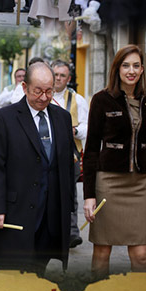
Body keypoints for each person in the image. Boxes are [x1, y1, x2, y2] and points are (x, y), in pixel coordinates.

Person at [83, 44, 146, 276]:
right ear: (117, 68)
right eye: (126, 65)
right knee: (101, 255)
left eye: (136, 66)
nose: (131, 70)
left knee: (141, 256)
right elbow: (90, 150)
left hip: (140, 186)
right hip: (108, 184)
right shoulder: (102, 100)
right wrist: (89, 195)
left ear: (142, 70)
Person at [0, 60, 75, 272]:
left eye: (49, 91)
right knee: (13, 273)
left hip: (52, 213)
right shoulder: (4, 118)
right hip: (17, 211)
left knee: (44, 277)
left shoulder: (63, 118)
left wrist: (68, 205)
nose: (44, 97)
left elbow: (67, 167)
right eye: (37, 91)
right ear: (24, 87)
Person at [52, 61, 88, 249]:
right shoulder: (39, 95)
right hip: (43, 154)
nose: (58, 78)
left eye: (62, 76)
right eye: (55, 74)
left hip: (68, 155)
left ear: (69, 79)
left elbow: (86, 127)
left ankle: (71, 231)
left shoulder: (77, 100)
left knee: (68, 193)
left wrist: (74, 131)